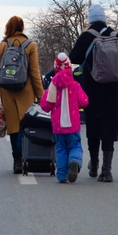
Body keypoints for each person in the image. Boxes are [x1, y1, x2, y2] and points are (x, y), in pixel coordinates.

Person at [69, 4, 118, 182]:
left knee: (94, 125)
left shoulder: (87, 37)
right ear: (104, 18)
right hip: (113, 89)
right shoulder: (116, 36)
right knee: (110, 126)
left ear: (89, 20)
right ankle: (107, 169)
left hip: (92, 89)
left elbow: (73, 57)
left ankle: (94, 164)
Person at [0, 15, 44, 174]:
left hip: (7, 91)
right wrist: (41, 96)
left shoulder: (1, 46)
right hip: (26, 90)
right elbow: (35, 73)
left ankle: (17, 161)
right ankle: (27, 157)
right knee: (26, 125)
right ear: (22, 27)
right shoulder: (30, 45)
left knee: (13, 127)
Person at [40, 53, 89, 183]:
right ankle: (74, 161)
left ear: (55, 68)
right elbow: (84, 101)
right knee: (75, 146)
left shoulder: (53, 86)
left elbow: (45, 105)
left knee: (60, 148)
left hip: (58, 126)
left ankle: (62, 175)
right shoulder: (75, 85)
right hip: (73, 124)